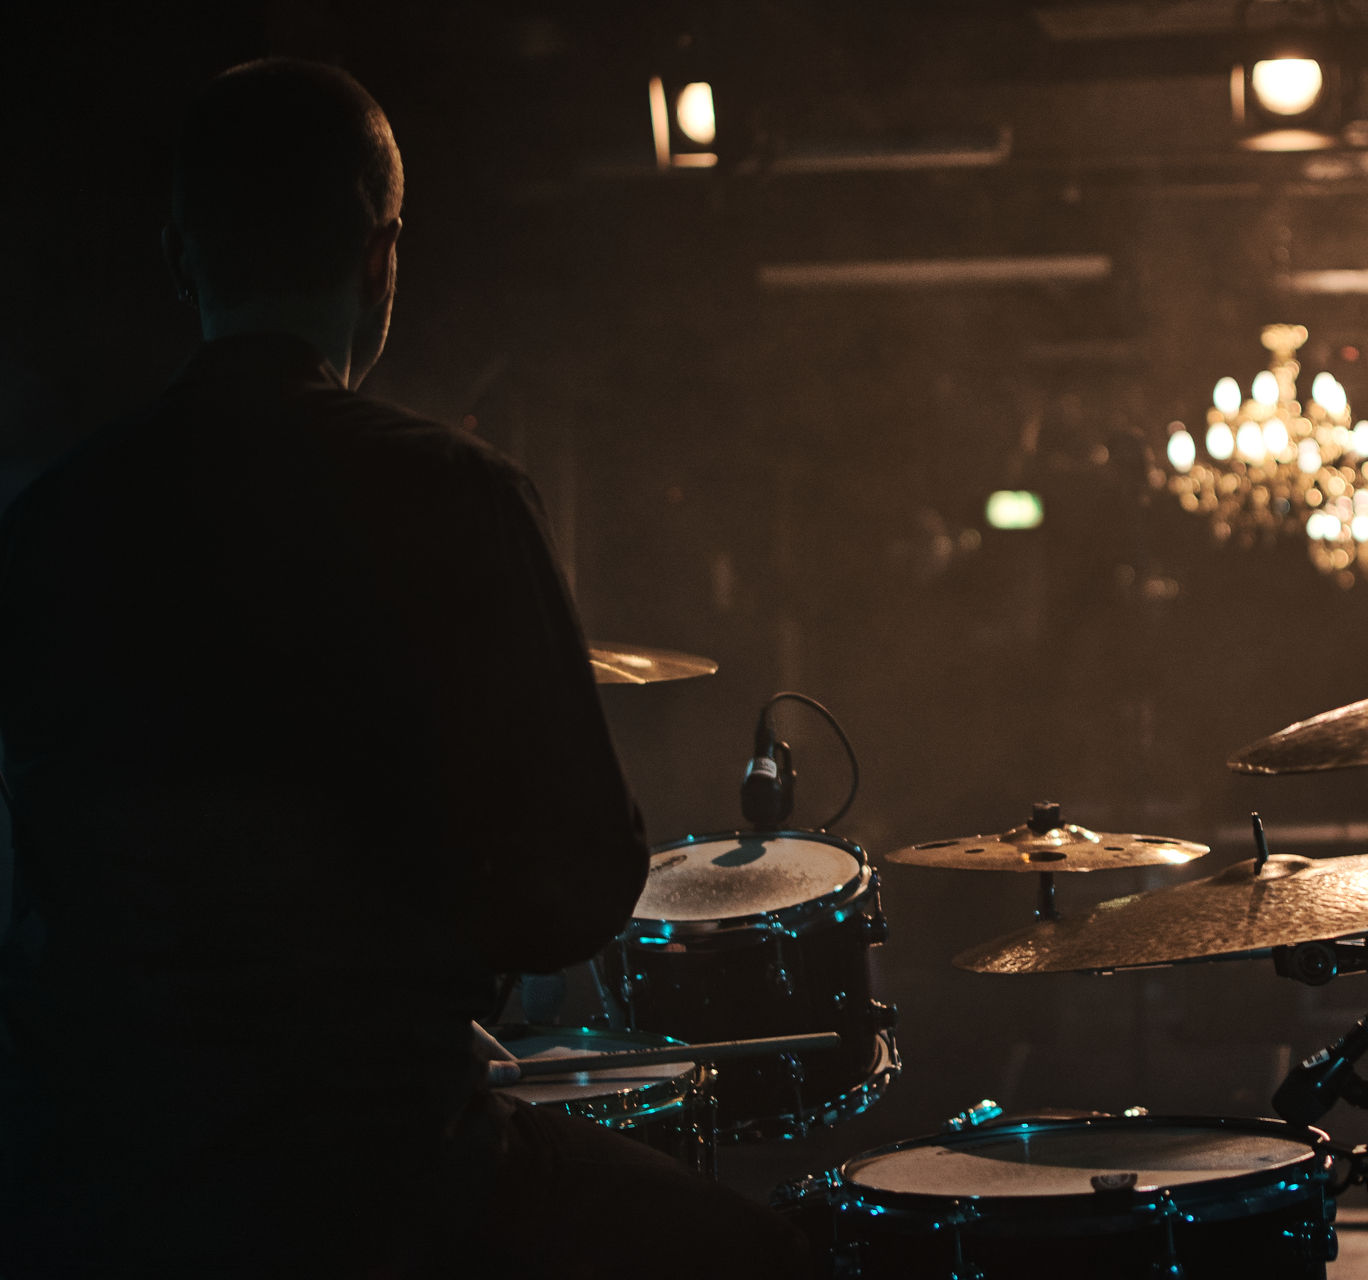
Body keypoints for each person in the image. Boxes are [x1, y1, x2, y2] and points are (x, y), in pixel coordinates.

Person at [0, 59, 812, 1277]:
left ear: (178, 256)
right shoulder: (455, 496)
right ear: (381, 260)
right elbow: (575, 888)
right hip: (375, 1166)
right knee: (765, 1255)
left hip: (93, 1178)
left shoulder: (46, 526)